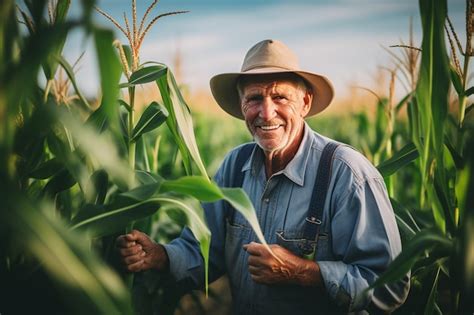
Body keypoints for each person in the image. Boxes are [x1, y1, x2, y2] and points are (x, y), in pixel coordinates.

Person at [116, 39, 410, 314]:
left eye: (280, 97)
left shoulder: (346, 174)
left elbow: (389, 286)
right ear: (242, 105)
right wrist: (160, 255)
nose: (266, 113)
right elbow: (205, 250)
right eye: (255, 98)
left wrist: (301, 272)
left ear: (305, 103)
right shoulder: (235, 165)